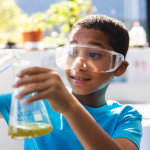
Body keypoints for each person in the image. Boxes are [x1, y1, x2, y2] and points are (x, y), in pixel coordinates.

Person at [0, 14, 142, 150]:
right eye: (72, 53)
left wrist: (69, 106)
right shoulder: (35, 99)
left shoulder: (125, 117)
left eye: (94, 54)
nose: (78, 65)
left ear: (119, 67)